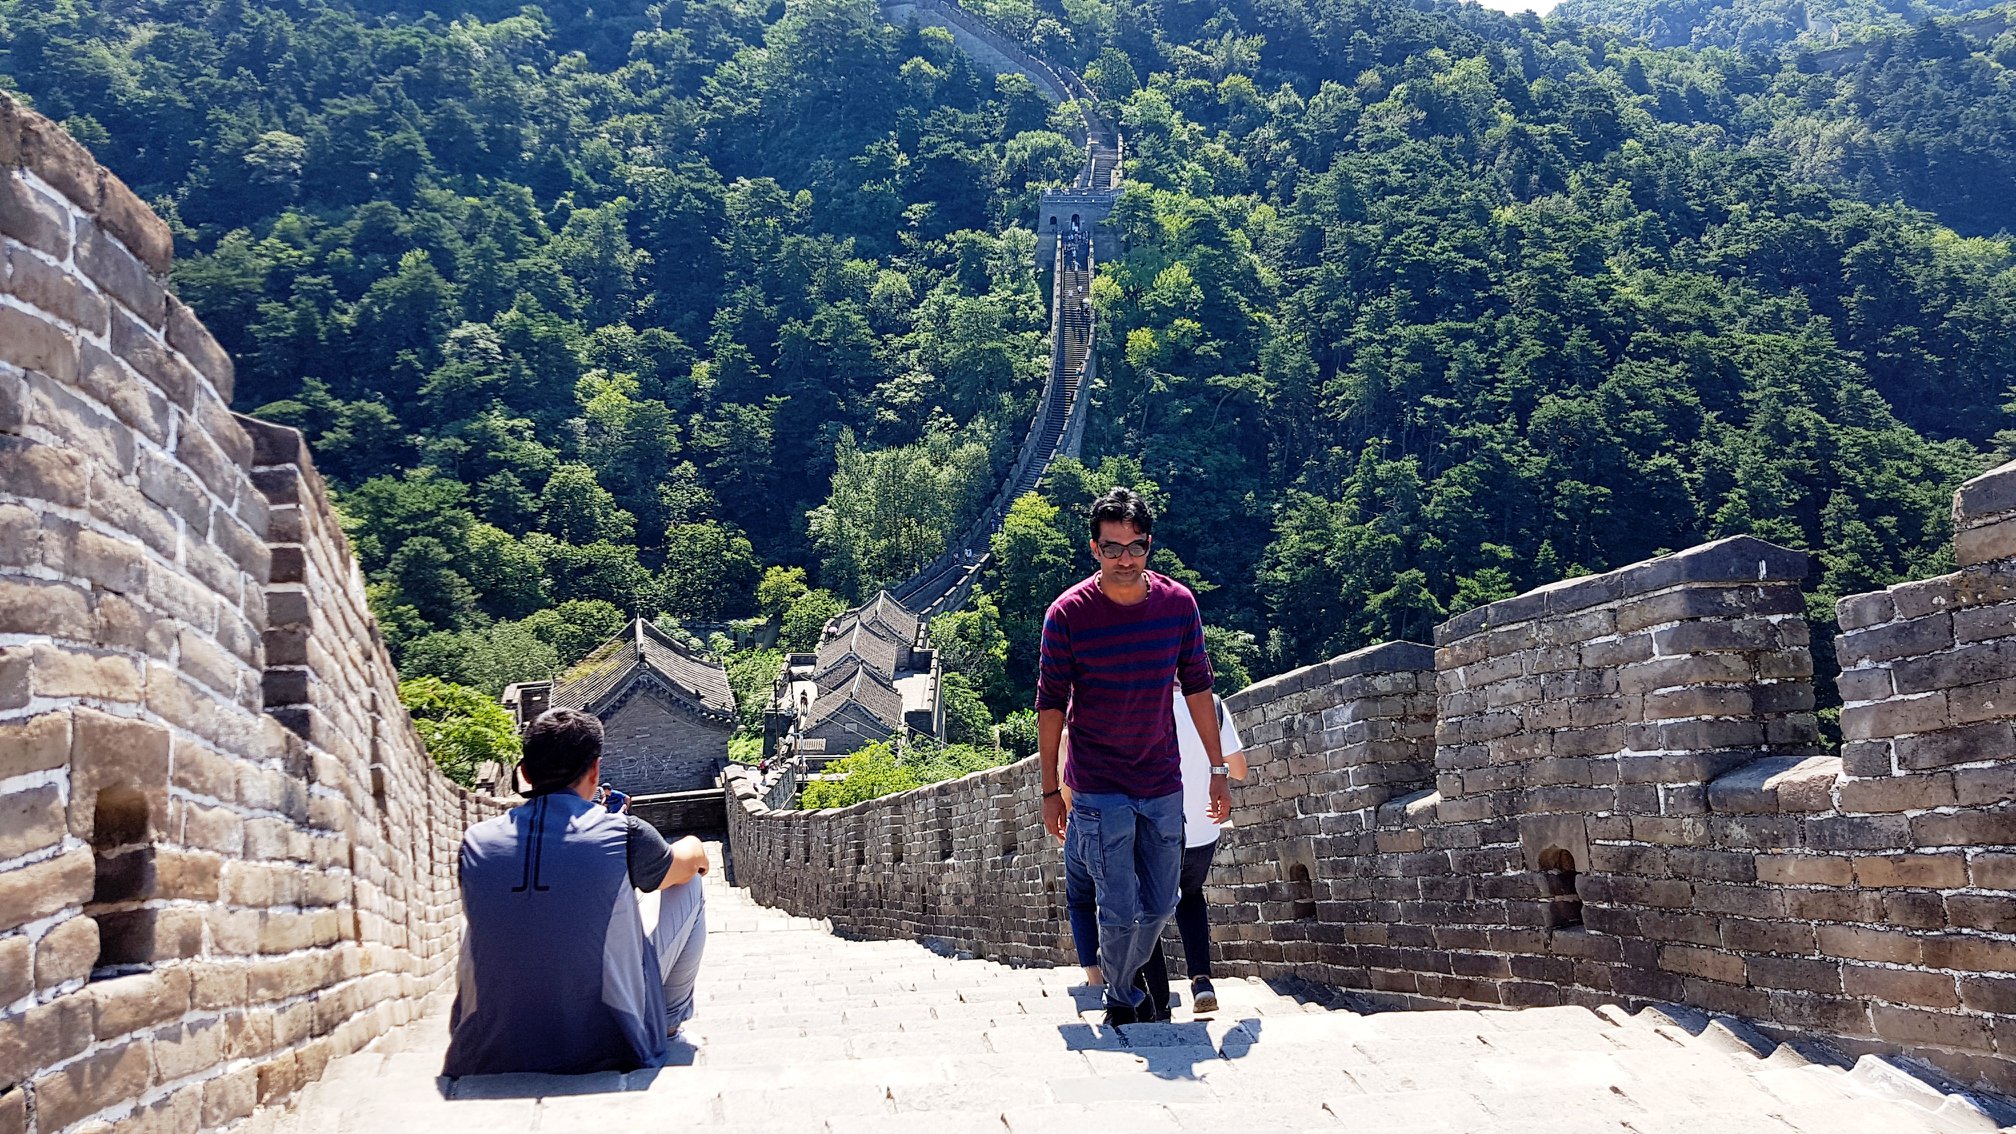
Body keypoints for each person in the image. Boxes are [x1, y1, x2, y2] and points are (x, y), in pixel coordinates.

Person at [1037, 487, 1226, 1027]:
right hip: (1098, 784)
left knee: (1164, 902)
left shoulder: (1177, 604)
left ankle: (1121, 985)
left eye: (1136, 546)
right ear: (1094, 549)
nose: (1126, 559)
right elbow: (1050, 705)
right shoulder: (1067, 614)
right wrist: (1050, 790)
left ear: (1149, 546)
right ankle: (1121, 998)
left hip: (1161, 779)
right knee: (1118, 907)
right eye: (1113, 548)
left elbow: (1199, 688)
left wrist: (1217, 771)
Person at [442, 709, 710, 1077]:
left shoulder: (475, 842)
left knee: (478, 917)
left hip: (487, 1051)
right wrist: (694, 845)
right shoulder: (624, 832)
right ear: (595, 770)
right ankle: (668, 1026)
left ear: (525, 772)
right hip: (609, 1044)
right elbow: (687, 864)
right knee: (688, 883)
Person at [1059, 686, 1247, 1018]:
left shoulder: (1134, 703)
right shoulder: (1212, 705)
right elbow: (1241, 769)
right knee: (1189, 898)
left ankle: (1154, 1001)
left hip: (1154, 824)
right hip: (1202, 831)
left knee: (1143, 908)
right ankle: (1201, 980)